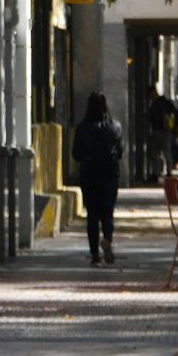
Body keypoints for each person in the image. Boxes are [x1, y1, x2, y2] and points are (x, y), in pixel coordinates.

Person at [72, 91, 124, 266]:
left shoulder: (82, 128)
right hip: (110, 175)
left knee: (92, 216)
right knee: (108, 212)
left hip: (89, 176)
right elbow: (120, 152)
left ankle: (95, 255)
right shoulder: (115, 127)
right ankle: (107, 238)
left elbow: (76, 154)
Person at [147, 87, 178, 179]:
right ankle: (158, 173)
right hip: (159, 130)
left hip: (164, 131)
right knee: (158, 152)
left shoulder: (163, 103)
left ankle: (166, 172)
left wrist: (174, 127)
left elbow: (176, 114)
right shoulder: (157, 103)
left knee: (165, 152)